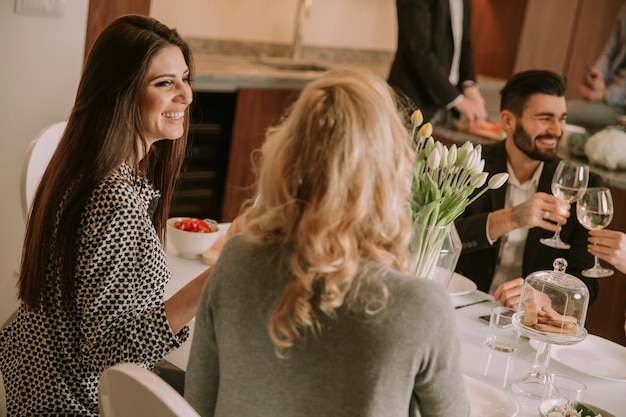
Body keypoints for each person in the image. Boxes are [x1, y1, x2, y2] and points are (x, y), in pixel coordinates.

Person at [184, 68, 470, 417]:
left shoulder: (236, 259)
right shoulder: (421, 307)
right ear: (394, 172)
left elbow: (196, 405)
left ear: (285, 157)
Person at [0, 15, 212, 416]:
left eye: (184, 78)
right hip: (73, 403)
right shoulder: (114, 200)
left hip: (36, 378)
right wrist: (212, 280)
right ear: (121, 94)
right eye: (164, 83)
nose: (186, 95)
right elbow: (109, 355)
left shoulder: (87, 167)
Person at [454, 70, 601, 310]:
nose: (557, 130)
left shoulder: (582, 183)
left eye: (562, 118)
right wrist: (510, 218)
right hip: (464, 304)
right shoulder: (470, 162)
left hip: (529, 320)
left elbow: (588, 281)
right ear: (508, 120)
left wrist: (547, 298)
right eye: (545, 118)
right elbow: (438, 238)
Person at [388, 0, 488, 126]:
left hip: (447, 107)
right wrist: (458, 100)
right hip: (411, 99)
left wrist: (469, 86)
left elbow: (465, 44)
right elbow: (418, 50)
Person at [567, 2, 626, 133]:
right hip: (609, 94)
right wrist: (597, 74)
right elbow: (610, 52)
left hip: (621, 106)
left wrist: (606, 95)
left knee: (561, 115)